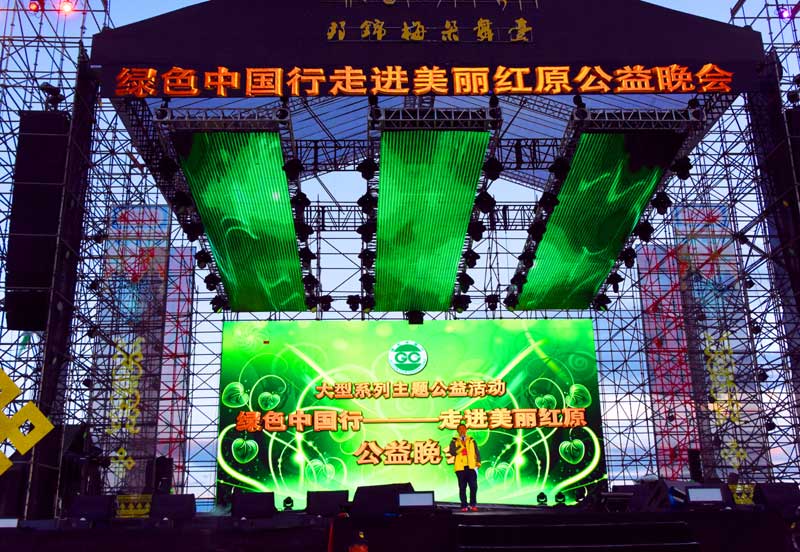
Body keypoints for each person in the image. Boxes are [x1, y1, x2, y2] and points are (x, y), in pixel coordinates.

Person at [448, 423, 481, 512]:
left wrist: (478, 462)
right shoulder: (454, 441)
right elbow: (452, 452)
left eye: (463, 429)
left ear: (466, 430)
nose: (462, 430)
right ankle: (464, 505)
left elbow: (477, 451)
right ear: (457, 431)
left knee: (473, 487)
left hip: (471, 467)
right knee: (462, 487)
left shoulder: (471, 440)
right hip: (460, 468)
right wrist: (461, 446)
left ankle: (473, 504)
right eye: (460, 429)